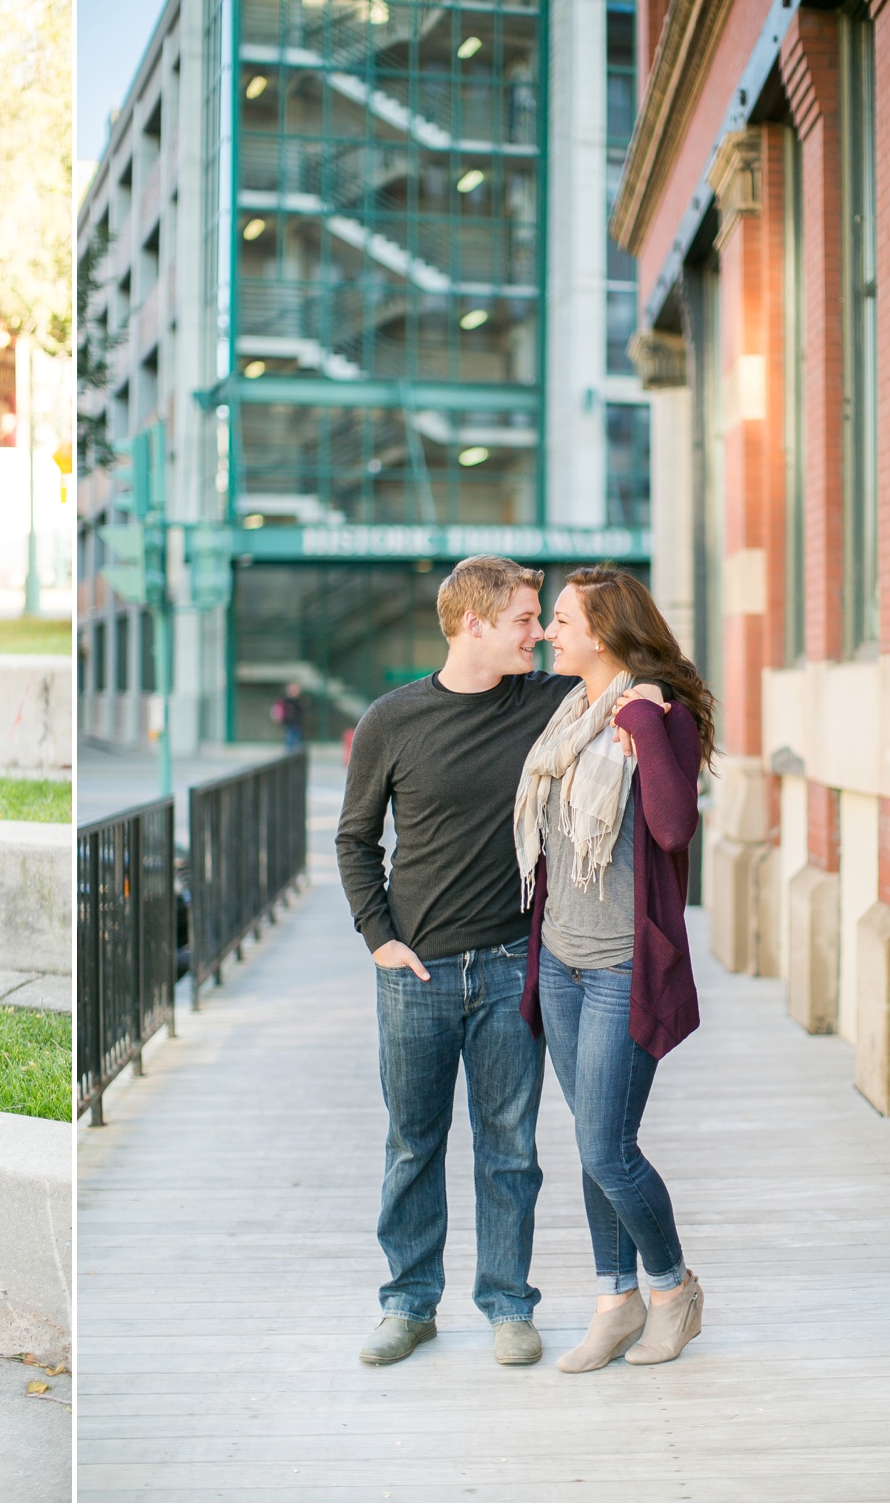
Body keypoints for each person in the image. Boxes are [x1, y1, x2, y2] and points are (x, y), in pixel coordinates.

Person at [335, 555, 580, 1368]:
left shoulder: (547, 702)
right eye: (523, 619)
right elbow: (355, 838)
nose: (538, 632)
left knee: (510, 1146)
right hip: (418, 976)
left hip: (512, 963)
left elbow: (632, 678)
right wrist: (380, 939)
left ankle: (508, 1303)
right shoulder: (392, 720)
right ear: (473, 624)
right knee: (414, 1143)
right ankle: (409, 1303)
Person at [515, 566, 711, 1371]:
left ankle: (672, 1289)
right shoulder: (567, 715)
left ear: (602, 632)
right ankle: (614, 1299)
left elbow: (671, 825)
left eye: (561, 620)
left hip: (624, 965)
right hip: (561, 960)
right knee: (594, 1139)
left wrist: (640, 719)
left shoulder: (660, 712)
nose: (550, 633)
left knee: (606, 1146)